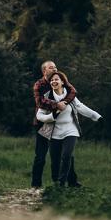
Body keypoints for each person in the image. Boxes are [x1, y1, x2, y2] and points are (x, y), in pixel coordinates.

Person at [36, 71, 102, 187]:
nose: (53, 81)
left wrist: (97, 117)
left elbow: (81, 107)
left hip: (70, 130)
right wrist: (52, 116)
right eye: (52, 80)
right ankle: (65, 182)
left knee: (66, 155)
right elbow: (39, 116)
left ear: (62, 82)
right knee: (55, 160)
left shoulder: (70, 96)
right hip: (54, 132)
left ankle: (61, 183)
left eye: (56, 79)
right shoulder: (47, 97)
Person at [31, 60, 79, 188]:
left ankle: (72, 182)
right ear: (44, 71)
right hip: (43, 123)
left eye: (55, 67)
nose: (55, 69)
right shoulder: (39, 85)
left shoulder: (60, 79)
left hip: (60, 124)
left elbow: (73, 91)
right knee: (40, 155)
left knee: (67, 154)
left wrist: (65, 102)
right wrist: (57, 105)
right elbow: (40, 102)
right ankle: (36, 184)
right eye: (51, 68)